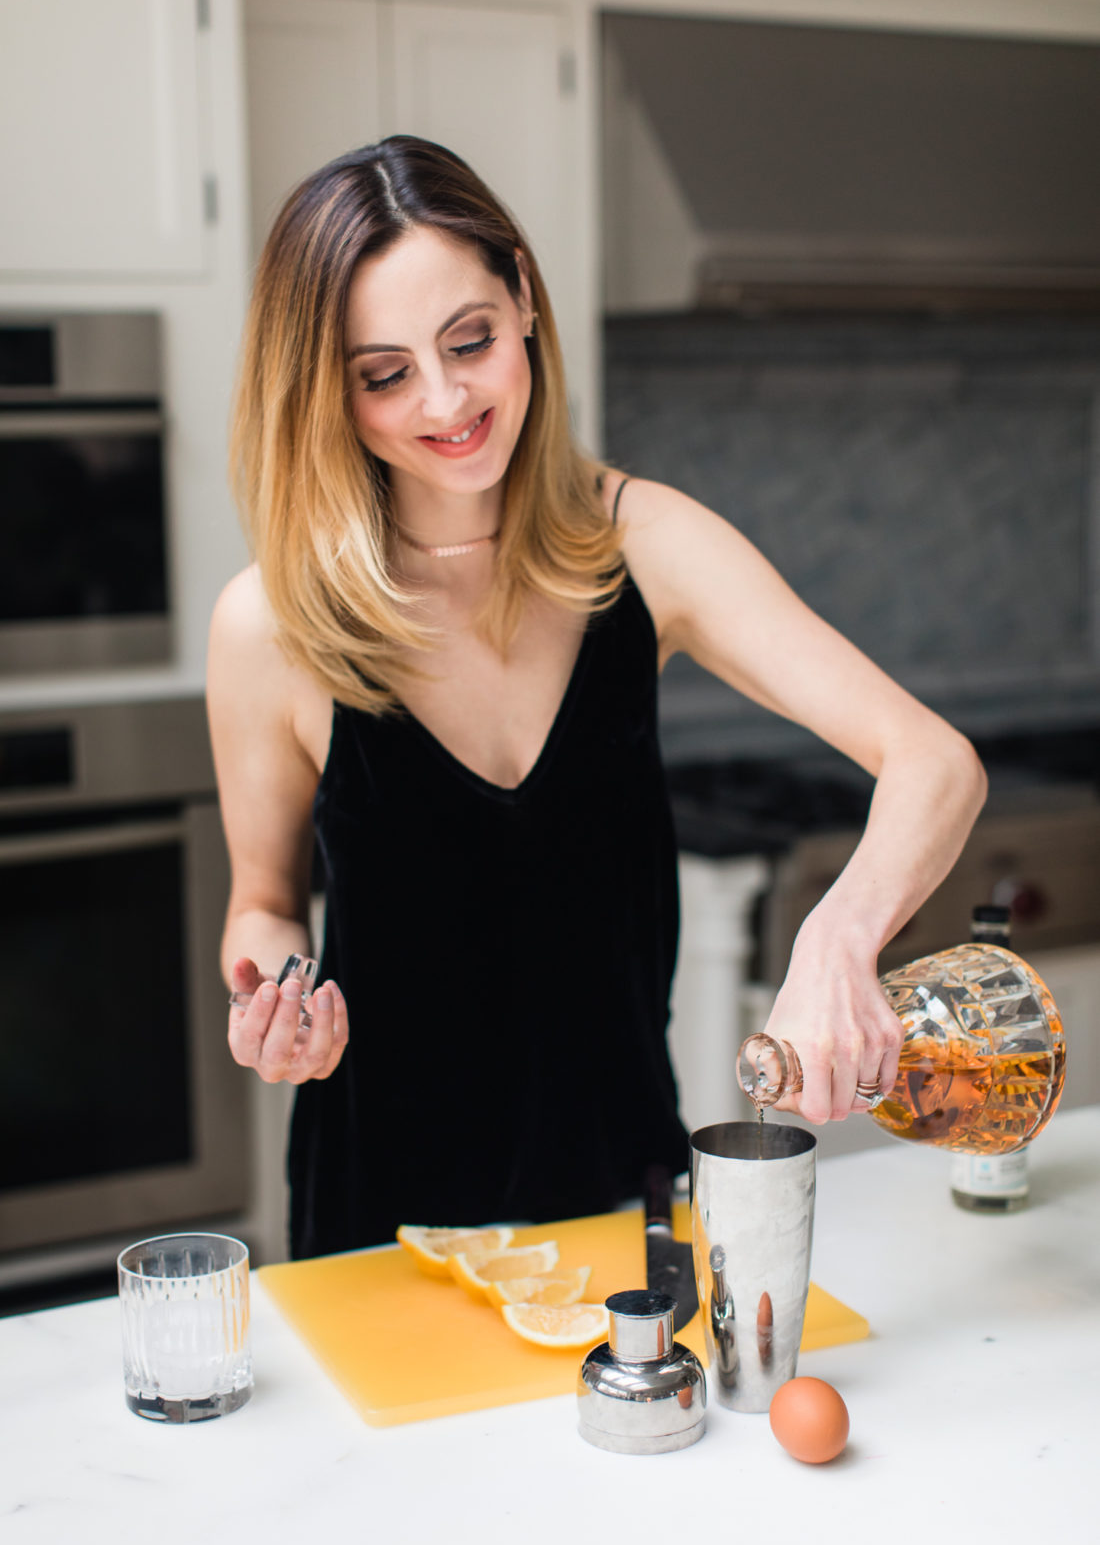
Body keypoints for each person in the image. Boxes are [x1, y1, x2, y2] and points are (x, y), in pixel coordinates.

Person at [207, 136, 986, 1258]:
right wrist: (274, 997)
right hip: (378, 1229)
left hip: (623, 1197)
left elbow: (934, 761)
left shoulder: (646, 545)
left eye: (468, 340)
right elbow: (264, 902)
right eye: (383, 374)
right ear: (326, 389)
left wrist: (837, 937)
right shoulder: (271, 625)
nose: (445, 399)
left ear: (523, 297)